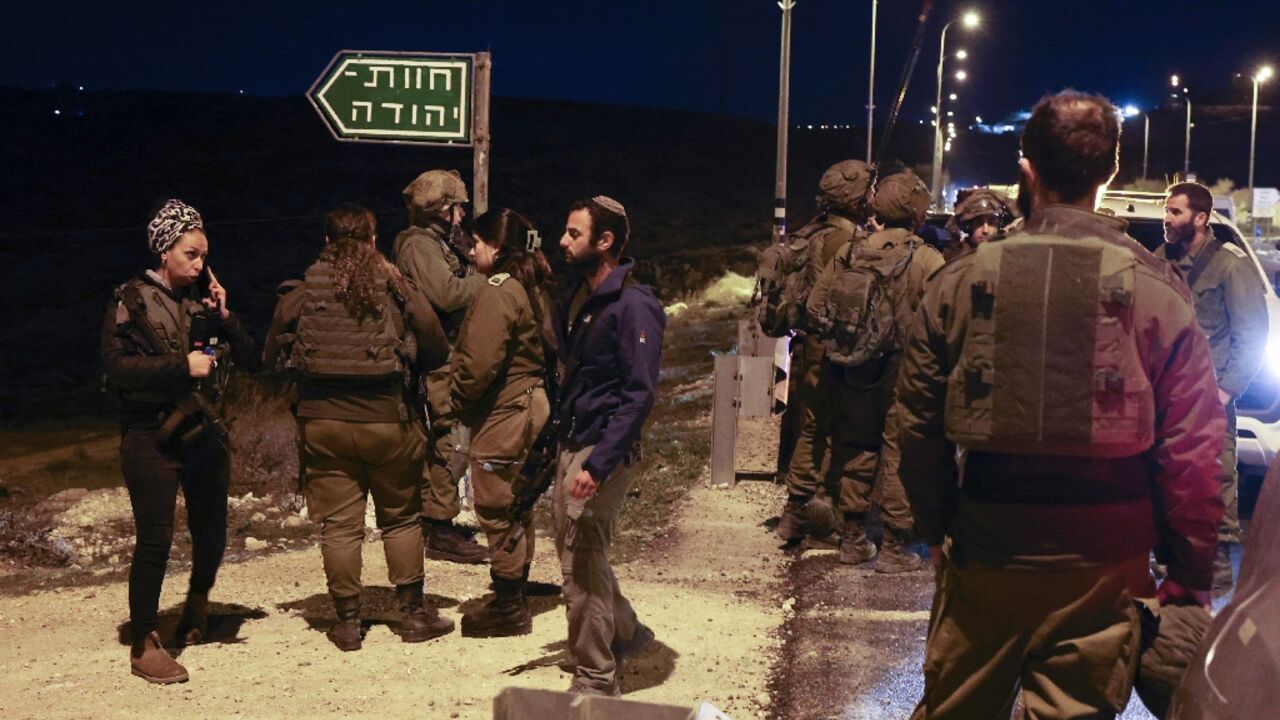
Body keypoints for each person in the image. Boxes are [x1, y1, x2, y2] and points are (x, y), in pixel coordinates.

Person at [897, 90, 1225, 718]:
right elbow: (1193, 449)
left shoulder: (958, 282)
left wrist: (934, 527)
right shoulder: (1158, 291)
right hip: (1106, 567)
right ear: (1112, 171)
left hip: (988, 547)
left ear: (1028, 169)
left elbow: (915, 424)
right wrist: (1190, 569)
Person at [264, 203, 453, 651]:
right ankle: (411, 615)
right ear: (372, 241)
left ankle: (348, 623)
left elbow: (271, 352)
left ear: (327, 242)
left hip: (323, 424)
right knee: (401, 517)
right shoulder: (395, 285)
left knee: (340, 526)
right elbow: (435, 344)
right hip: (388, 421)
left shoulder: (303, 290)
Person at [101, 199, 257, 684]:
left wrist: (226, 318)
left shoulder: (201, 301)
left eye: (203, 254)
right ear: (165, 251)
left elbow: (253, 358)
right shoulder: (130, 300)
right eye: (190, 254)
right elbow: (116, 368)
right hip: (150, 434)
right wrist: (179, 366)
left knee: (210, 528)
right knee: (155, 538)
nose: (199, 264)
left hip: (202, 429)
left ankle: (197, 606)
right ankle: (145, 641)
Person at [806, 170, 944, 572]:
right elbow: (945, 322)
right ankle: (895, 547)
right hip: (907, 369)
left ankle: (852, 538)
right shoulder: (926, 258)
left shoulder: (850, 252)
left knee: (857, 444)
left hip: (856, 365)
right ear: (917, 211)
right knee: (899, 451)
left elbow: (816, 307)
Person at [554, 196, 664, 696]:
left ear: (605, 242)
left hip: (600, 449)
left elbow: (638, 393)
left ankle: (597, 677)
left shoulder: (634, 306)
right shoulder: (583, 297)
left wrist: (598, 465)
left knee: (581, 560)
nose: (563, 241)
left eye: (574, 233)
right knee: (577, 552)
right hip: (575, 442)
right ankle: (628, 633)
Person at [448, 209, 557, 637]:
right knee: (518, 501)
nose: (472, 250)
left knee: (497, 504)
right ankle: (517, 586)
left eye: (476, 242)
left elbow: (477, 365)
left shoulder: (498, 292)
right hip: (530, 406)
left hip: (506, 411)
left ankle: (509, 604)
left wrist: (456, 398)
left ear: (496, 247)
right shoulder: (532, 287)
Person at [1155, 181, 1268, 591]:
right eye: (1167, 211)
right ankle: (1169, 563)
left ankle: (1214, 572)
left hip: (1209, 399)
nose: (1167, 220)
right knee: (1165, 481)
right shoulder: (1158, 263)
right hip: (1166, 400)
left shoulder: (1229, 266)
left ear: (1200, 218)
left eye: (1176, 212)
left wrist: (1225, 392)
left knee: (1213, 480)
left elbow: (1252, 334)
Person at [772, 160, 874, 549]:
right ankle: (826, 516)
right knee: (841, 430)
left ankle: (794, 512)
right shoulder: (848, 241)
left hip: (807, 344)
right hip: (835, 347)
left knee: (812, 428)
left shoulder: (812, 231)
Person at [392, 169, 489, 564]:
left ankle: (437, 518)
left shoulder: (437, 242)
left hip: (451, 354)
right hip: (437, 358)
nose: (463, 214)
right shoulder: (418, 246)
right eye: (457, 207)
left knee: (454, 433)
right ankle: (438, 525)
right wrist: (490, 279)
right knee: (451, 435)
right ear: (441, 209)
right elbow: (447, 295)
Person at [944, 187, 1019, 254]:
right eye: (978, 223)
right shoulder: (955, 257)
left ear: (999, 225)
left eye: (991, 222)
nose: (985, 230)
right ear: (969, 226)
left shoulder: (1008, 257)